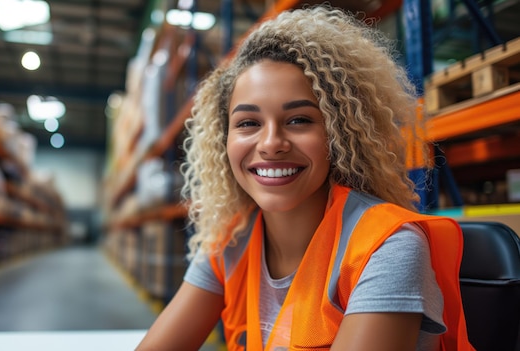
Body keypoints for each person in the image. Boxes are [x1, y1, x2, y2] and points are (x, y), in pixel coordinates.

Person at [136, 5, 474, 351]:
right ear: (224, 140)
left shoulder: (386, 247)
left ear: (339, 133)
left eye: (299, 120)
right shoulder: (231, 243)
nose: (270, 144)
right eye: (248, 123)